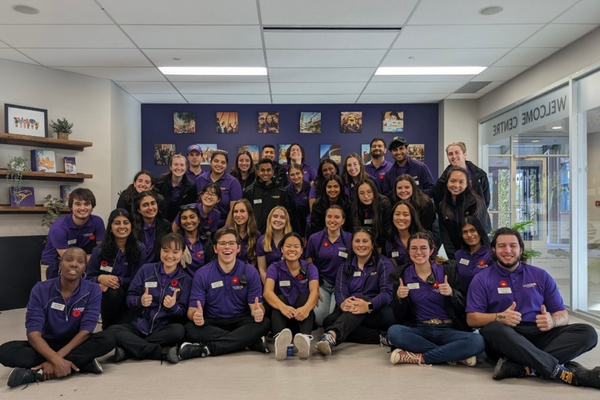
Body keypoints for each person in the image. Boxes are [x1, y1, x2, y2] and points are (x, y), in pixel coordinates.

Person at [466, 228, 600, 389]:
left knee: (588, 333)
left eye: (513, 245)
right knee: (492, 329)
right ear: (493, 250)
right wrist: (499, 317)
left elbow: (562, 314)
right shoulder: (481, 279)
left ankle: (524, 368)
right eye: (502, 246)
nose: (508, 250)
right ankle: (564, 373)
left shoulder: (540, 275)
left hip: (540, 333)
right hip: (507, 337)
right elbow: (472, 318)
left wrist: (553, 321)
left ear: (521, 249)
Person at [0, 248, 116, 388]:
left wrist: (56, 359)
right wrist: (54, 358)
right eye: (69, 260)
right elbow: (33, 333)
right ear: (60, 264)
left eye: (80, 261)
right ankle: (81, 363)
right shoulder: (41, 289)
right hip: (46, 344)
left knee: (109, 338)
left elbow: (86, 330)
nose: (74, 264)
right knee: (5, 351)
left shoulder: (93, 290)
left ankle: (39, 373)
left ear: (85, 267)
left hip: (76, 343)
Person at [387, 231, 485, 366]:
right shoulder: (401, 275)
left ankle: (420, 358)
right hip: (421, 329)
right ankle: (453, 355)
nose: (418, 252)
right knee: (394, 332)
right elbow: (399, 315)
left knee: (478, 341)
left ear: (431, 250)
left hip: (448, 329)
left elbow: (464, 306)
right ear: (408, 251)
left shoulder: (448, 270)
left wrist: (452, 294)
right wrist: (399, 298)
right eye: (414, 248)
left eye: (423, 248)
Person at [175, 227, 270, 360]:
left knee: (264, 323)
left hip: (241, 320)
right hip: (212, 321)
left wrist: (258, 312)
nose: (227, 247)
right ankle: (249, 341)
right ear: (215, 248)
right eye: (222, 243)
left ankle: (206, 349)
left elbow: (256, 307)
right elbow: (192, 310)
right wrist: (195, 315)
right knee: (191, 328)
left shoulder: (250, 272)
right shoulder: (202, 274)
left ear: (238, 248)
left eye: (231, 243)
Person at [108, 233, 192, 364]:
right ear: (160, 251)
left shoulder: (186, 280)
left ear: (182, 254)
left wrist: (173, 307)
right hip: (140, 325)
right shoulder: (146, 270)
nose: (170, 256)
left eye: (175, 252)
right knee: (112, 331)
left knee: (179, 331)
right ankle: (160, 352)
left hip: (164, 328)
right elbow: (130, 298)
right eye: (165, 250)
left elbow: (182, 313)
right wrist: (140, 301)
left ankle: (130, 350)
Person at [315, 228, 395, 355]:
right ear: (352, 244)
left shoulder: (384, 263)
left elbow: (387, 294)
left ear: (372, 244)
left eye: (365, 241)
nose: (361, 245)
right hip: (354, 310)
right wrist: (343, 303)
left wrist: (368, 305)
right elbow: (340, 291)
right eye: (357, 241)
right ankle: (381, 337)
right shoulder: (346, 266)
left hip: (380, 310)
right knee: (328, 321)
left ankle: (331, 336)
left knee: (358, 304)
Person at [86, 209, 147, 329]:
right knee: (113, 292)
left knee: (123, 327)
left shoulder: (140, 248)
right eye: (117, 223)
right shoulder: (98, 251)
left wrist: (118, 280)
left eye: (126, 222)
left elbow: (139, 279)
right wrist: (100, 278)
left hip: (131, 295)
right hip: (109, 298)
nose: (122, 226)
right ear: (110, 227)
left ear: (131, 226)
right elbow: (87, 279)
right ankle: (107, 328)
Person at [264, 232, 319, 360]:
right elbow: (267, 292)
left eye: (296, 246)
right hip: (282, 316)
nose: (292, 249)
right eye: (288, 246)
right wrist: (283, 307)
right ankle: (281, 342)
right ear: (282, 249)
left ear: (301, 250)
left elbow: (315, 291)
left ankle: (304, 339)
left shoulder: (310, 267)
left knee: (305, 298)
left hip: (302, 315)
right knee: (280, 298)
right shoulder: (275, 267)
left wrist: (306, 308)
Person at [41, 188, 105, 279]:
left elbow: (103, 249)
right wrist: (94, 257)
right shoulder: (59, 228)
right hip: (53, 265)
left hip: (82, 265)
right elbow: (70, 259)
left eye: (87, 204)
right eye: (78, 204)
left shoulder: (97, 222)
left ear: (92, 206)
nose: (83, 208)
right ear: (71, 207)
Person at [305, 205, 352, 326]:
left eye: (337, 217)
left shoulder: (350, 239)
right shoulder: (314, 238)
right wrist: (314, 287)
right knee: (319, 319)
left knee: (331, 319)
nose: (332, 220)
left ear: (343, 220)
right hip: (322, 284)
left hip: (341, 285)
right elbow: (309, 260)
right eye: (329, 216)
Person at [437, 167, 491, 260]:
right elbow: (445, 236)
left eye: (461, 182)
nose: (456, 185)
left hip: (478, 253)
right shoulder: (443, 205)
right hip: (456, 254)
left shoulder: (475, 202)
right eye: (453, 181)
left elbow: (479, 233)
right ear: (447, 182)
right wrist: (454, 257)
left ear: (467, 185)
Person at [433, 142, 490, 208]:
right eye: (450, 154)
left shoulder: (480, 175)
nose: (454, 156)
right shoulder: (442, 181)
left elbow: (486, 200)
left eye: (457, 153)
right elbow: (438, 202)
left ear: (465, 155)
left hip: (476, 215)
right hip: (452, 216)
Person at [195, 150, 243, 227]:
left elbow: (234, 209)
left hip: (223, 224)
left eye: (223, 162)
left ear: (227, 165)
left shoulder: (233, 182)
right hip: (200, 224)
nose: (219, 164)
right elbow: (195, 204)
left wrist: (226, 229)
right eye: (216, 161)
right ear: (210, 162)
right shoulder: (200, 180)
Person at [243, 158, 291, 233]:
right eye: (262, 170)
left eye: (268, 170)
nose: (265, 173)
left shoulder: (282, 191)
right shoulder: (249, 192)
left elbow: (287, 214)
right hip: (254, 234)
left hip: (276, 233)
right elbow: (245, 215)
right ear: (257, 172)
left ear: (272, 172)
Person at [454, 216, 493, 291]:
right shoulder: (458, 255)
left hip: (483, 300)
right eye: (465, 232)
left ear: (480, 231)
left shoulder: (490, 255)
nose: (469, 235)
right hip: (461, 300)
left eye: (473, 230)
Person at [155, 154, 197, 223]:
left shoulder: (191, 187)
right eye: (176, 164)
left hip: (182, 223)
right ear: (171, 167)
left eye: (182, 165)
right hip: (160, 222)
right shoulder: (159, 183)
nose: (179, 167)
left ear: (186, 168)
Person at [351, 179, 392, 249]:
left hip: (381, 244)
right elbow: (353, 229)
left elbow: (386, 230)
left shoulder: (384, 204)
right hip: (362, 244)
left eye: (369, 192)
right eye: (361, 193)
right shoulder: (355, 206)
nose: (366, 196)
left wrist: (378, 246)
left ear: (374, 191)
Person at [132, 191, 172, 263]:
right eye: (145, 205)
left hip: (159, 268)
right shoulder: (132, 228)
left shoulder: (166, 225)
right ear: (139, 210)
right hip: (139, 268)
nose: (150, 208)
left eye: (153, 203)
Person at [256, 206, 292, 284]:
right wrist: (269, 289)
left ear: (286, 221)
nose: (278, 220)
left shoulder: (292, 240)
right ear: (269, 219)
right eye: (275, 216)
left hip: (290, 283)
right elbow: (262, 271)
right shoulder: (262, 241)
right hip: (269, 283)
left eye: (282, 217)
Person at [384, 201, 423, 267]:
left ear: (412, 217)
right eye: (397, 214)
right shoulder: (390, 240)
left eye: (405, 214)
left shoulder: (424, 238)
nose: (401, 218)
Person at [177, 207, 214, 274]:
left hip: (203, 281)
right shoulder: (175, 242)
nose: (188, 221)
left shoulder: (207, 241)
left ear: (199, 219)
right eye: (184, 218)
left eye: (192, 217)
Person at [225, 199, 260, 266]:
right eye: (235, 211)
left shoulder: (256, 234)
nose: (238, 215)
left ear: (249, 213)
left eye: (242, 211)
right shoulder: (226, 232)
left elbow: (254, 260)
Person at [286, 163, 311, 237]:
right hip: (294, 228)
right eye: (292, 175)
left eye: (298, 173)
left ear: (302, 174)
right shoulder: (286, 191)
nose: (295, 177)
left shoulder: (311, 188)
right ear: (289, 177)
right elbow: (290, 214)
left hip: (309, 227)